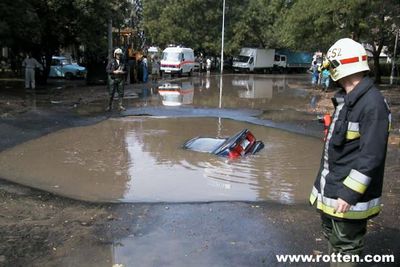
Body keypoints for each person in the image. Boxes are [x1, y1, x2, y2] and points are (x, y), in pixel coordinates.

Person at [309, 38, 391, 264]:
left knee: (346, 247)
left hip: (347, 195)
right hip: (332, 188)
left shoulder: (372, 105)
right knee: (333, 240)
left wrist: (349, 193)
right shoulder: (348, 99)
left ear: (340, 67)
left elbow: (371, 156)